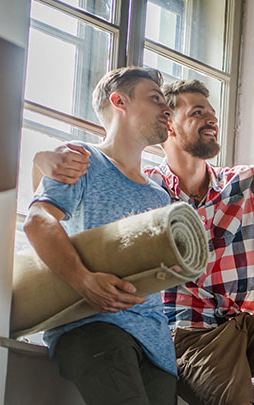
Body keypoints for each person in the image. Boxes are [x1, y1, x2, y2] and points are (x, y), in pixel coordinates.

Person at [32, 57, 254, 405]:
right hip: (188, 335)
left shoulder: (237, 186)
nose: (211, 118)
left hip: (240, 328)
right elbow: (62, 209)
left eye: (211, 112)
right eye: (196, 112)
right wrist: (43, 158)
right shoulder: (148, 189)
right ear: (169, 126)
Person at [23, 66, 177, 405]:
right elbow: (37, 220)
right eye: (155, 99)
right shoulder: (81, 159)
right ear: (119, 101)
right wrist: (82, 280)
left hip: (157, 348)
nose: (167, 109)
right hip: (93, 327)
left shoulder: (160, 196)